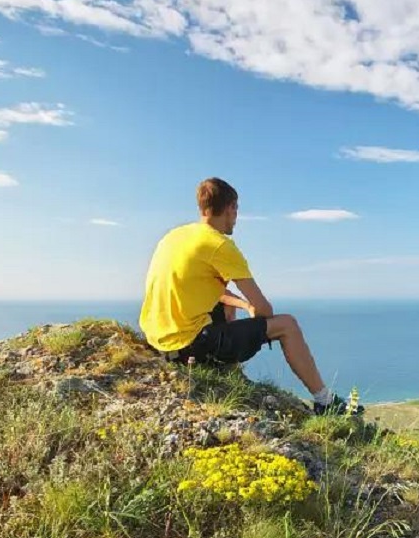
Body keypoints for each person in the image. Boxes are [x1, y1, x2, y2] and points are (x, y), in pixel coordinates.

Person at [139, 177, 362, 416]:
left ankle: (224, 369)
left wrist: (242, 304)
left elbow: (199, 288)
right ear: (231, 208)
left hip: (158, 339)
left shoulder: (175, 236)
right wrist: (254, 309)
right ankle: (324, 401)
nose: (236, 217)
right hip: (188, 346)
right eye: (236, 210)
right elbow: (264, 309)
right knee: (288, 325)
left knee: (223, 305)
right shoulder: (219, 245)